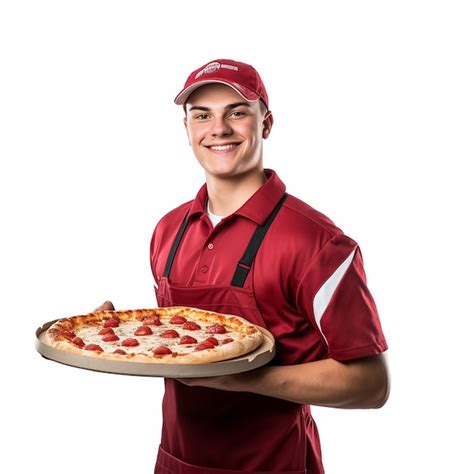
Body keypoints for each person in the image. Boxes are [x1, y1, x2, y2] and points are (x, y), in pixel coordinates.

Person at [98, 59, 390, 474]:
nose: (218, 129)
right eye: (202, 115)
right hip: (177, 461)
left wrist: (242, 378)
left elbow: (372, 384)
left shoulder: (317, 243)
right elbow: (180, 338)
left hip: (274, 463)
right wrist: (115, 334)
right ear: (187, 129)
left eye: (237, 112)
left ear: (266, 123)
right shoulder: (168, 229)